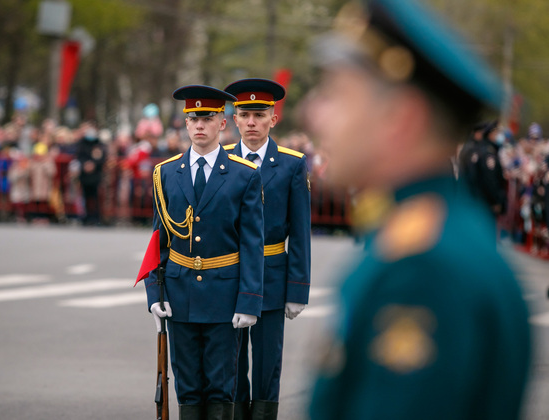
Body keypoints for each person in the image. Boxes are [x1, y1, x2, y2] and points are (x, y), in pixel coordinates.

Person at [305, 0, 531, 419]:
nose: (312, 113)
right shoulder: (431, 236)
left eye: (335, 95)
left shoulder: (422, 270)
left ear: (399, 119)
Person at [142, 85, 264, 420]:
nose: (199, 125)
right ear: (185, 123)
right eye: (193, 118)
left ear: (222, 123)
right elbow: (159, 240)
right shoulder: (166, 173)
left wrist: (249, 300)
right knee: (187, 387)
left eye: (207, 118)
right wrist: (154, 294)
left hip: (224, 296)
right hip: (179, 293)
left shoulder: (244, 175)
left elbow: (251, 243)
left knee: (220, 386)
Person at [222, 78, 311, 420]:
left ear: (273, 119)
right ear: (234, 119)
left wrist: (297, 289)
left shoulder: (291, 164)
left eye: (259, 115)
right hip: (229, 272)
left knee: (267, 363)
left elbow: (300, 231)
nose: (251, 123)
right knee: (230, 361)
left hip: (271, 273)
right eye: (244, 115)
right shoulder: (222, 160)